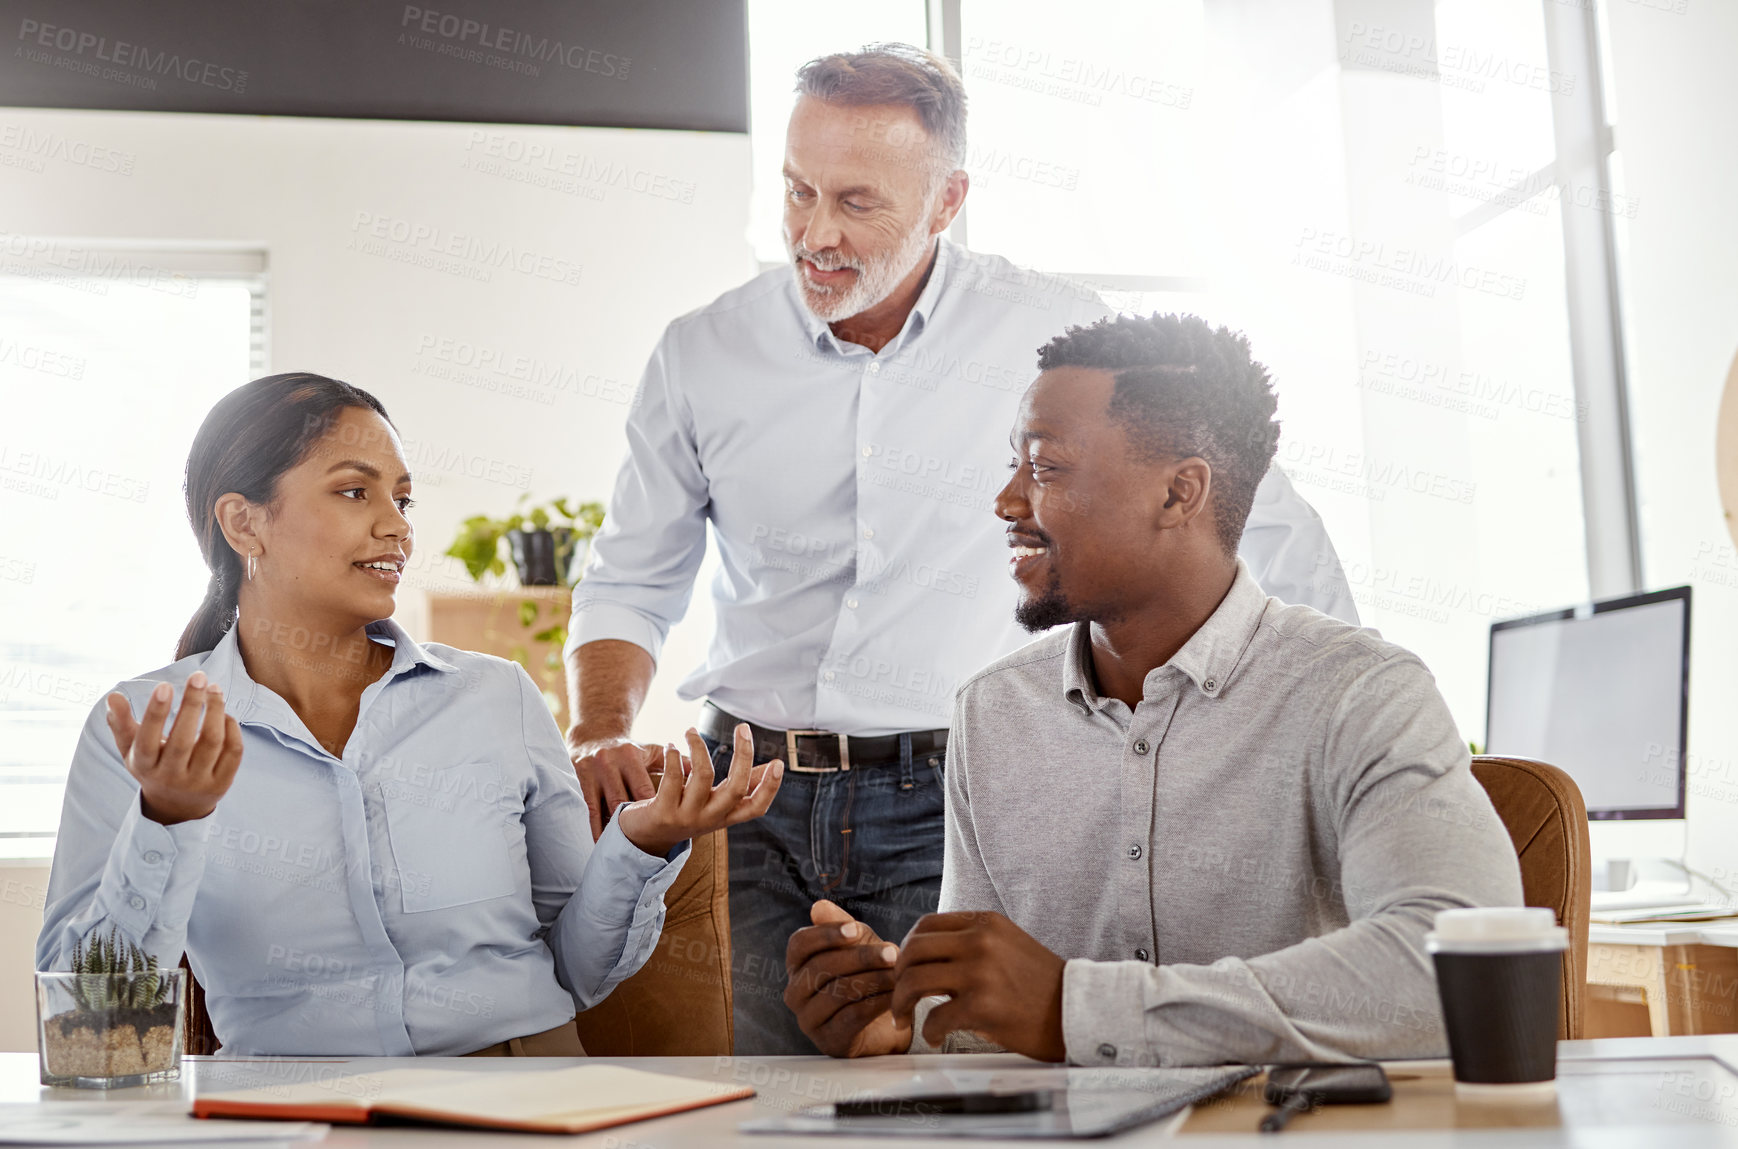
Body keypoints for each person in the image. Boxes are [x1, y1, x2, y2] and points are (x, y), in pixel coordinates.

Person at [565, 44, 1360, 1055]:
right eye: (797, 192)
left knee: (947, 1089)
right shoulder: (700, 351)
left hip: (954, 795)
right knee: (762, 1102)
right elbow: (632, 577)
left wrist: (1353, 723)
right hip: (746, 803)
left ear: (947, 202)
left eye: (856, 203)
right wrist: (598, 729)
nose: (814, 234)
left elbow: (1259, 516)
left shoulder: (1056, 334)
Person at [784, 314, 1523, 1065]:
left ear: (1179, 493)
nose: (1007, 502)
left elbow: (1459, 968)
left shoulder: (1360, 695)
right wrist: (908, 1024)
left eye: (1044, 468)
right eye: (1014, 465)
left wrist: (1079, 1007)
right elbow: (997, 1021)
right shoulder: (991, 714)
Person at [37, 373, 782, 1057]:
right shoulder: (140, 729)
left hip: (526, 1097)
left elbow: (577, 972)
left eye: (403, 498)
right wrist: (166, 819)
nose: (398, 527)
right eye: (356, 493)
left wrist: (643, 841)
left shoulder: (498, 698)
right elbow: (96, 1019)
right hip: (291, 1119)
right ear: (243, 522)